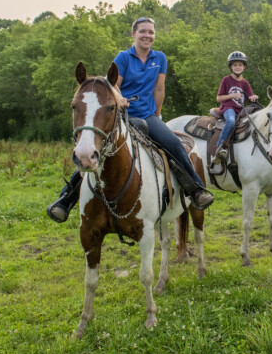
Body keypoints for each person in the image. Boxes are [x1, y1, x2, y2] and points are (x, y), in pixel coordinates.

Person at [46, 17, 214, 223]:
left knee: (173, 144)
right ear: (133, 34)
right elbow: (112, 84)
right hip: (123, 116)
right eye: (143, 31)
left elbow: (159, 89)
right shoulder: (124, 57)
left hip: (148, 116)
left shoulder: (159, 58)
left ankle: (196, 190)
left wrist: (158, 115)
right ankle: (65, 201)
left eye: (151, 32)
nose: (147, 36)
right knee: (95, 154)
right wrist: (119, 99)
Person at [212, 51, 258, 165]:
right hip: (228, 108)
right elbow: (218, 98)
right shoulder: (226, 80)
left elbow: (250, 97)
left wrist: (253, 97)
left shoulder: (245, 83)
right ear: (231, 67)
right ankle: (220, 146)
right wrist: (232, 95)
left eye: (240, 65)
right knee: (231, 121)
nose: (238, 67)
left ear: (244, 66)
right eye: (235, 65)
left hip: (241, 110)